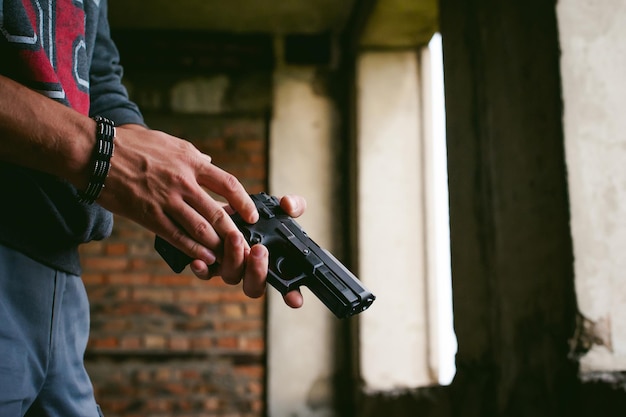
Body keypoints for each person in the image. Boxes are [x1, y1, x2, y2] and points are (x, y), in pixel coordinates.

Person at [0, 0, 305, 416]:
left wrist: (184, 200)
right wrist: (104, 155)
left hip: (62, 277)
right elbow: (102, 143)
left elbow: (97, 79)